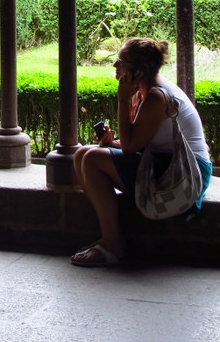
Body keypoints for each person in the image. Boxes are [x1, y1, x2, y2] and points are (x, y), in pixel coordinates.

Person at [71, 37, 212, 267]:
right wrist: (111, 142)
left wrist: (122, 99)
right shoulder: (146, 90)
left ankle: (112, 244)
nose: (115, 67)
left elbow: (130, 147)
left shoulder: (156, 96)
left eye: (121, 61)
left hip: (185, 173)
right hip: (163, 161)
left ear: (139, 69)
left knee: (93, 158)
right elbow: (140, 141)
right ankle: (111, 237)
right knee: (81, 155)